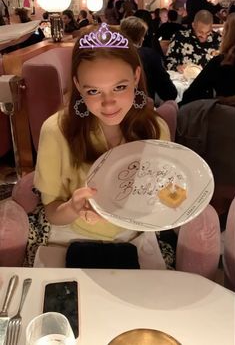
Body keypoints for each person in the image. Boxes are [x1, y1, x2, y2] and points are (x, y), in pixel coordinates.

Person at [32, 22, 173, 268]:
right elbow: (53, 213)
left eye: (120, 87)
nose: (109, 104)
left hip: (135, 237)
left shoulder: (155, 130)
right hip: (70, 238)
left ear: (136, 77)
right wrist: (73, 207)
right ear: (77, 85)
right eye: (94, 91)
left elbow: (163, 197)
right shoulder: (56, 131)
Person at [181, 13, 235, 105]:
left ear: (227, 34)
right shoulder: (181, 37)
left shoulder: (221, 62)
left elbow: (189, 96)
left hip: (224, 116)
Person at [120, 16, 177, 103]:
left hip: (116, 106)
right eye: (143, 36)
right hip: (142, 107)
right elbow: (169, 93)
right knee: (171, 105)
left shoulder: (110, 55)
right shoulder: (149, 56)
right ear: (141, 37)